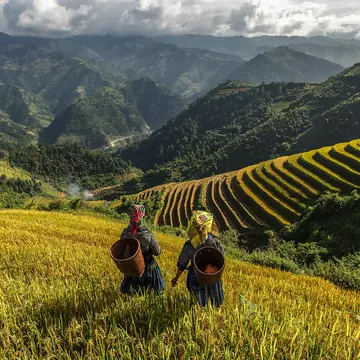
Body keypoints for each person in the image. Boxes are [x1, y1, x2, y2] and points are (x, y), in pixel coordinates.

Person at [171, 210, 225, 307]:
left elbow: (182, 265)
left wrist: (175, 278)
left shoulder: (189, 246)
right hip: (213, 277)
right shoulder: (216, 243)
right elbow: (221, 261)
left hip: (197, 277)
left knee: (198, 304)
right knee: (214, 303)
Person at [119, 204, 165, 295]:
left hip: (132, 267)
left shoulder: (125, 234)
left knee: (132, 295)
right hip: (148, 267)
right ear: (142, 215)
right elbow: (157, 252)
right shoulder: (148, 235)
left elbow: (122, 250)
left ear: (130, 216)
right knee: (152, 294)